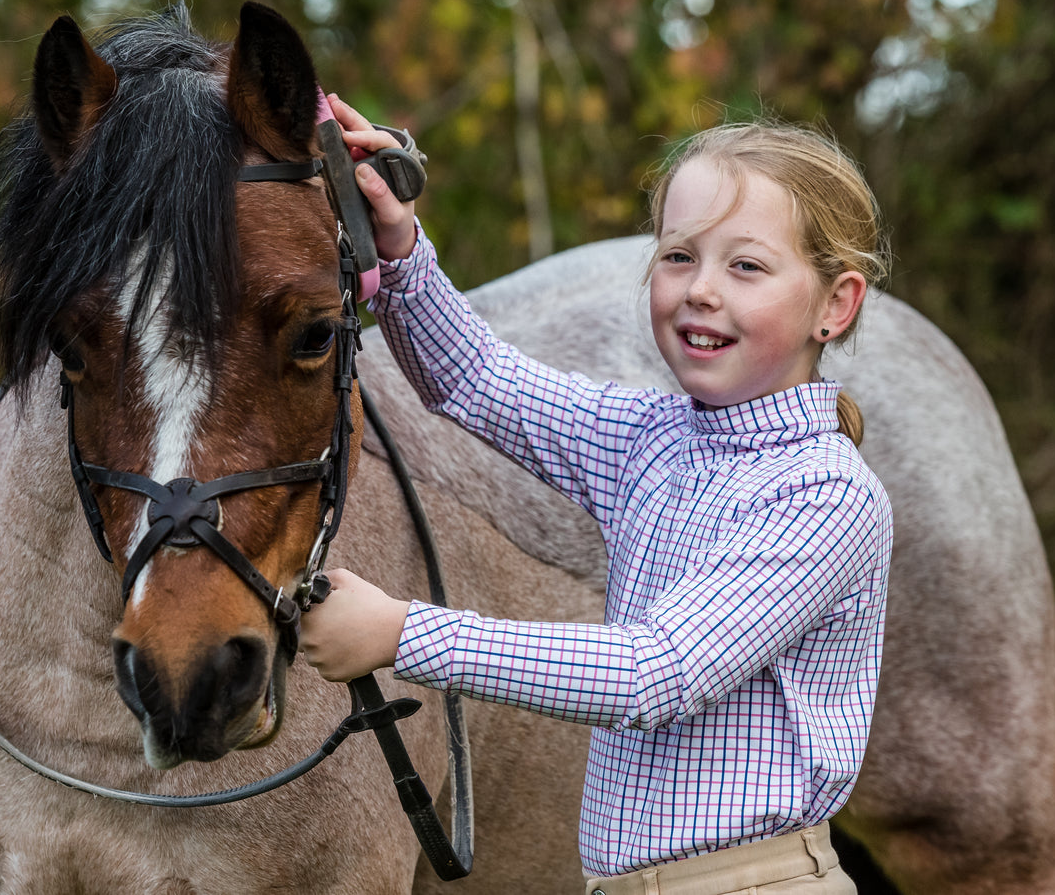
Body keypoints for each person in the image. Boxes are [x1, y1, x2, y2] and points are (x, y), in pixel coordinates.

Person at [302, 93, 895, 895]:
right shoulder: (652, 437)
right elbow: (476, 379)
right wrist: (400, 243)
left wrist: (403, 634)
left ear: (835, 304)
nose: (699, 290)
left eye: (745, 265)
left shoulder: (824, 495)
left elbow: (657, 671)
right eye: (678, 256)